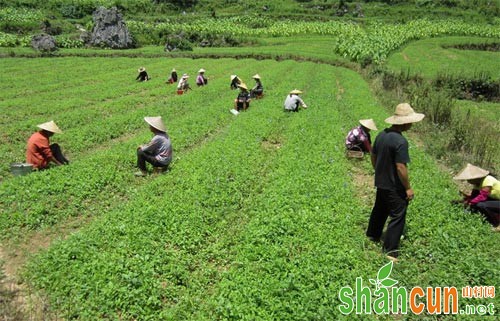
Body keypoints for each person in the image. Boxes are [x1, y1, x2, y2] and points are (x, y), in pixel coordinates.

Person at [366, 103, 425, 261]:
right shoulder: (400, 141)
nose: (412, 124)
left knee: (380, 208)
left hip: (381, 181)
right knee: (398, 214)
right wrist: (408, 188)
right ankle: (390, 251)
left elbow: (373, 155)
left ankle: (372, 235)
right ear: (405, 123)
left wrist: (378, 170)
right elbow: (400, 167)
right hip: (393, 185)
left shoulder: (381, 135)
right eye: (411, 121)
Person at [453, 163, 500, 230]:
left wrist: (469, 203)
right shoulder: (477, 184)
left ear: (476, 178)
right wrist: (462, 201)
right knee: (476, 204)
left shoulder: (487, 180)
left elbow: (482, 197)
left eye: (469, 179)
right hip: (496, 200)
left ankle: (496, 223)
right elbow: (473, 197)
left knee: (481, 205)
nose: (468, 181)